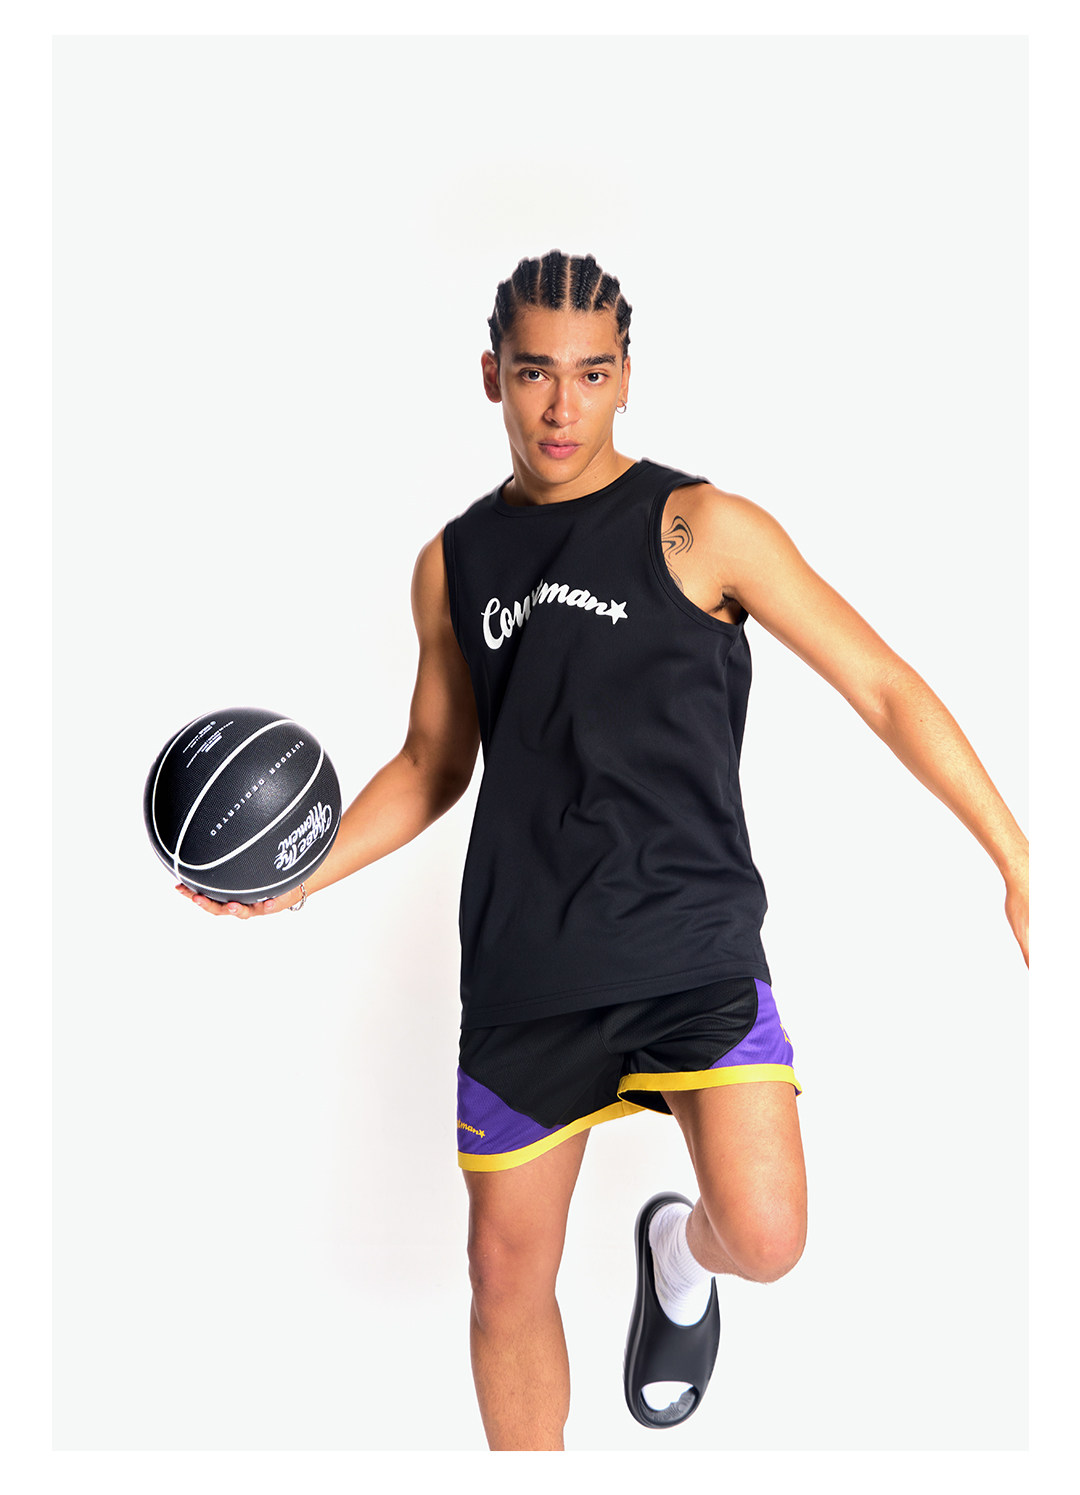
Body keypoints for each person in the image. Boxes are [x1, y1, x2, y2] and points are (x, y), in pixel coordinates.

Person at [176, 250, 1029, 1452]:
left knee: (769, 1236)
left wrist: (1019, 858)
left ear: (627, 375)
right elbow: (432, 762)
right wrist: (297, 877)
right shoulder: (454, 563)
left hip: (689, 942)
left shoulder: (700, 526)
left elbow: (882, 686)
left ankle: (679, 1249)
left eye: (590, 373)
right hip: (529, 963)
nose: (563, 406)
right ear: (493, 376)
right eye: (535, 373)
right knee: (504, 1280)